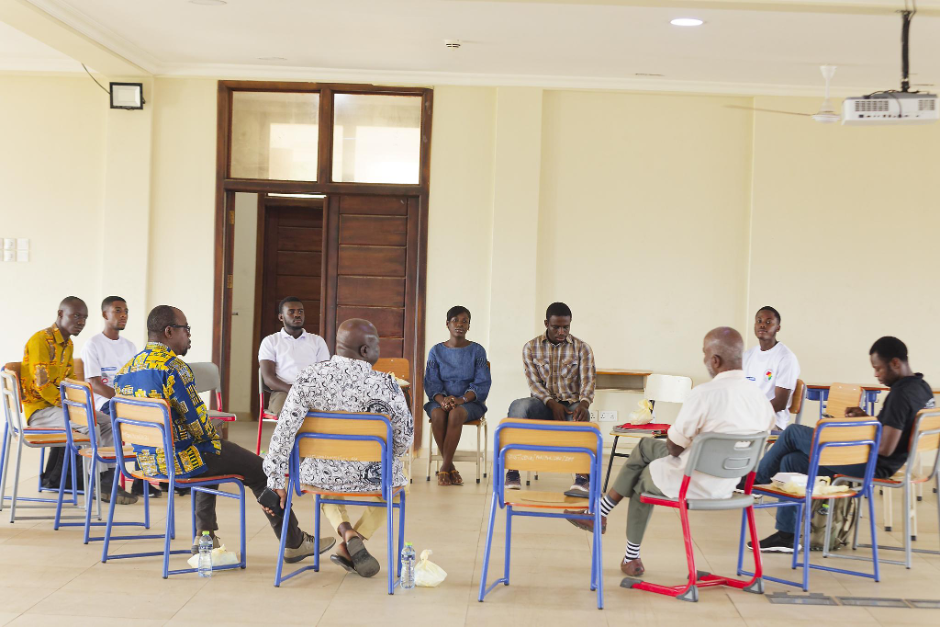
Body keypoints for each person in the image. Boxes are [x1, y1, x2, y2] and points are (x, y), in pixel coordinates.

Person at [113, 305, 334, 558]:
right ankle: (293, 543)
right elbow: (199, 427)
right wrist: (214, 427)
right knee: (259, 469)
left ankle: (204, 536)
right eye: (186, 329)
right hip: (182, 461)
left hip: (148, 463)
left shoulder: (125, 372)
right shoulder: (173, 368)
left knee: (215, 454)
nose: (189, 335)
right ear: (169, 331)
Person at [566, 328, 774, 577]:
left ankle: (623, 545)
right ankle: (601, 515)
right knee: (645, 448)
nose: (704, 360)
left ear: (715, 361)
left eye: (705, 354)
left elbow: (675, 447)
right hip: (731, 485)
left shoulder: (704, 395)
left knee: (641, 478)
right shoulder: (760, 398)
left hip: (693, 483)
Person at [751, 336, 936, 553]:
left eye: (878, 369)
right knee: (792, 461)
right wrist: (866, 419)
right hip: (884, 461)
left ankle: (753, 482)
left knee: (793, 433)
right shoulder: (922, 388)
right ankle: (787, 535)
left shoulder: (899, 394)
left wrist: (850, 439)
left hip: (871, 464)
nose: (876, 374)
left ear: (895, 363)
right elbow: (896, 429)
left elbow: (885, 447)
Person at [263, 318, 414, 578]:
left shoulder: (308, 377)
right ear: (365, 351)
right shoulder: (387, 385)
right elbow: (403, 440)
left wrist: (276, 479)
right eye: (377, 344)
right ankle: (356, 539)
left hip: (317, 475)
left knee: (322, 481)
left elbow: (284, 432)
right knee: (399, 486)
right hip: (372, 478)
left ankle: (346, 532)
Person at [22, 296, 137, 504]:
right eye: (76, 316)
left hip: (59, 409)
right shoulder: (41, 340)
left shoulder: (68, 345)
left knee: (109, 422)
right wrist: (74, 406)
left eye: (84, 317)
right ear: (60, 314)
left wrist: (81, 403)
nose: (81, 322)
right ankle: (97, 480)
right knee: (89, 423)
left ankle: (108, 480)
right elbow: (43, 387)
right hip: (40, 412)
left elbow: (72, 381)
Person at [505, 301, 596, 492]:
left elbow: (588, 381)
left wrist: (584, 404)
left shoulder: (582, 348)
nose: (561, 332)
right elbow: (534, 385)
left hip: (571, 405)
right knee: (518, 407)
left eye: (566, 327)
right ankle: (513, 472)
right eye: (556, 327)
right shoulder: (530, 347)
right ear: (546, 324)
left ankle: (581, 477)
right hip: (543, 405)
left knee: (583, 417)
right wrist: (552, 404)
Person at [80, 296, 157, 498]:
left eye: (126, 311)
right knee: (124, 420)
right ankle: (107, 480)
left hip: (127, 402)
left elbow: (134, 380)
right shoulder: (93, 344)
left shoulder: (130, 346)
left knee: (155, 420)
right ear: (105, 314)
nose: (123, 315)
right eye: (117, 310)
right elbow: (95, 383)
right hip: (104, 403)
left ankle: (142, 480)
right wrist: (123, 400)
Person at [423, 306, 491, 486]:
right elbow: (431, 383)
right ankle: (450, 466)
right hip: (440, 400)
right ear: (447, 324)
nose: (460, 324)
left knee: (456, 413)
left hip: (470, 402)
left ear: (469, 326)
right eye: (455, 320)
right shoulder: (436, 351)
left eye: (464, 321)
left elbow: (482, 382)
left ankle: (444, 467)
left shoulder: (477, 351)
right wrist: (442, 400)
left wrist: (460, 400)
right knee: (437, 414)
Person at [258, 296, 331, 417]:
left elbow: (324, 373)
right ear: (281, 317)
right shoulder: (271, 341)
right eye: (291, 311)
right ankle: (290, 437)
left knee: (329, 413)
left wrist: (308, 391)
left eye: (300, 311)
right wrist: (294, 390)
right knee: (291, 413)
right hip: (283, 392)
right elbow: (268, 378)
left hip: (312, 392)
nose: (297, 314)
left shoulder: (317, 341)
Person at [743, 306, 800, 430]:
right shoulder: (748, 355)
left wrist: (750, 415)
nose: (762, 325)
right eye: (759, 321)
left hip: (772, 421)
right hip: (747, 417)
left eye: (768, 322)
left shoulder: (786, 357)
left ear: (778, 328)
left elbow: (780, 403)